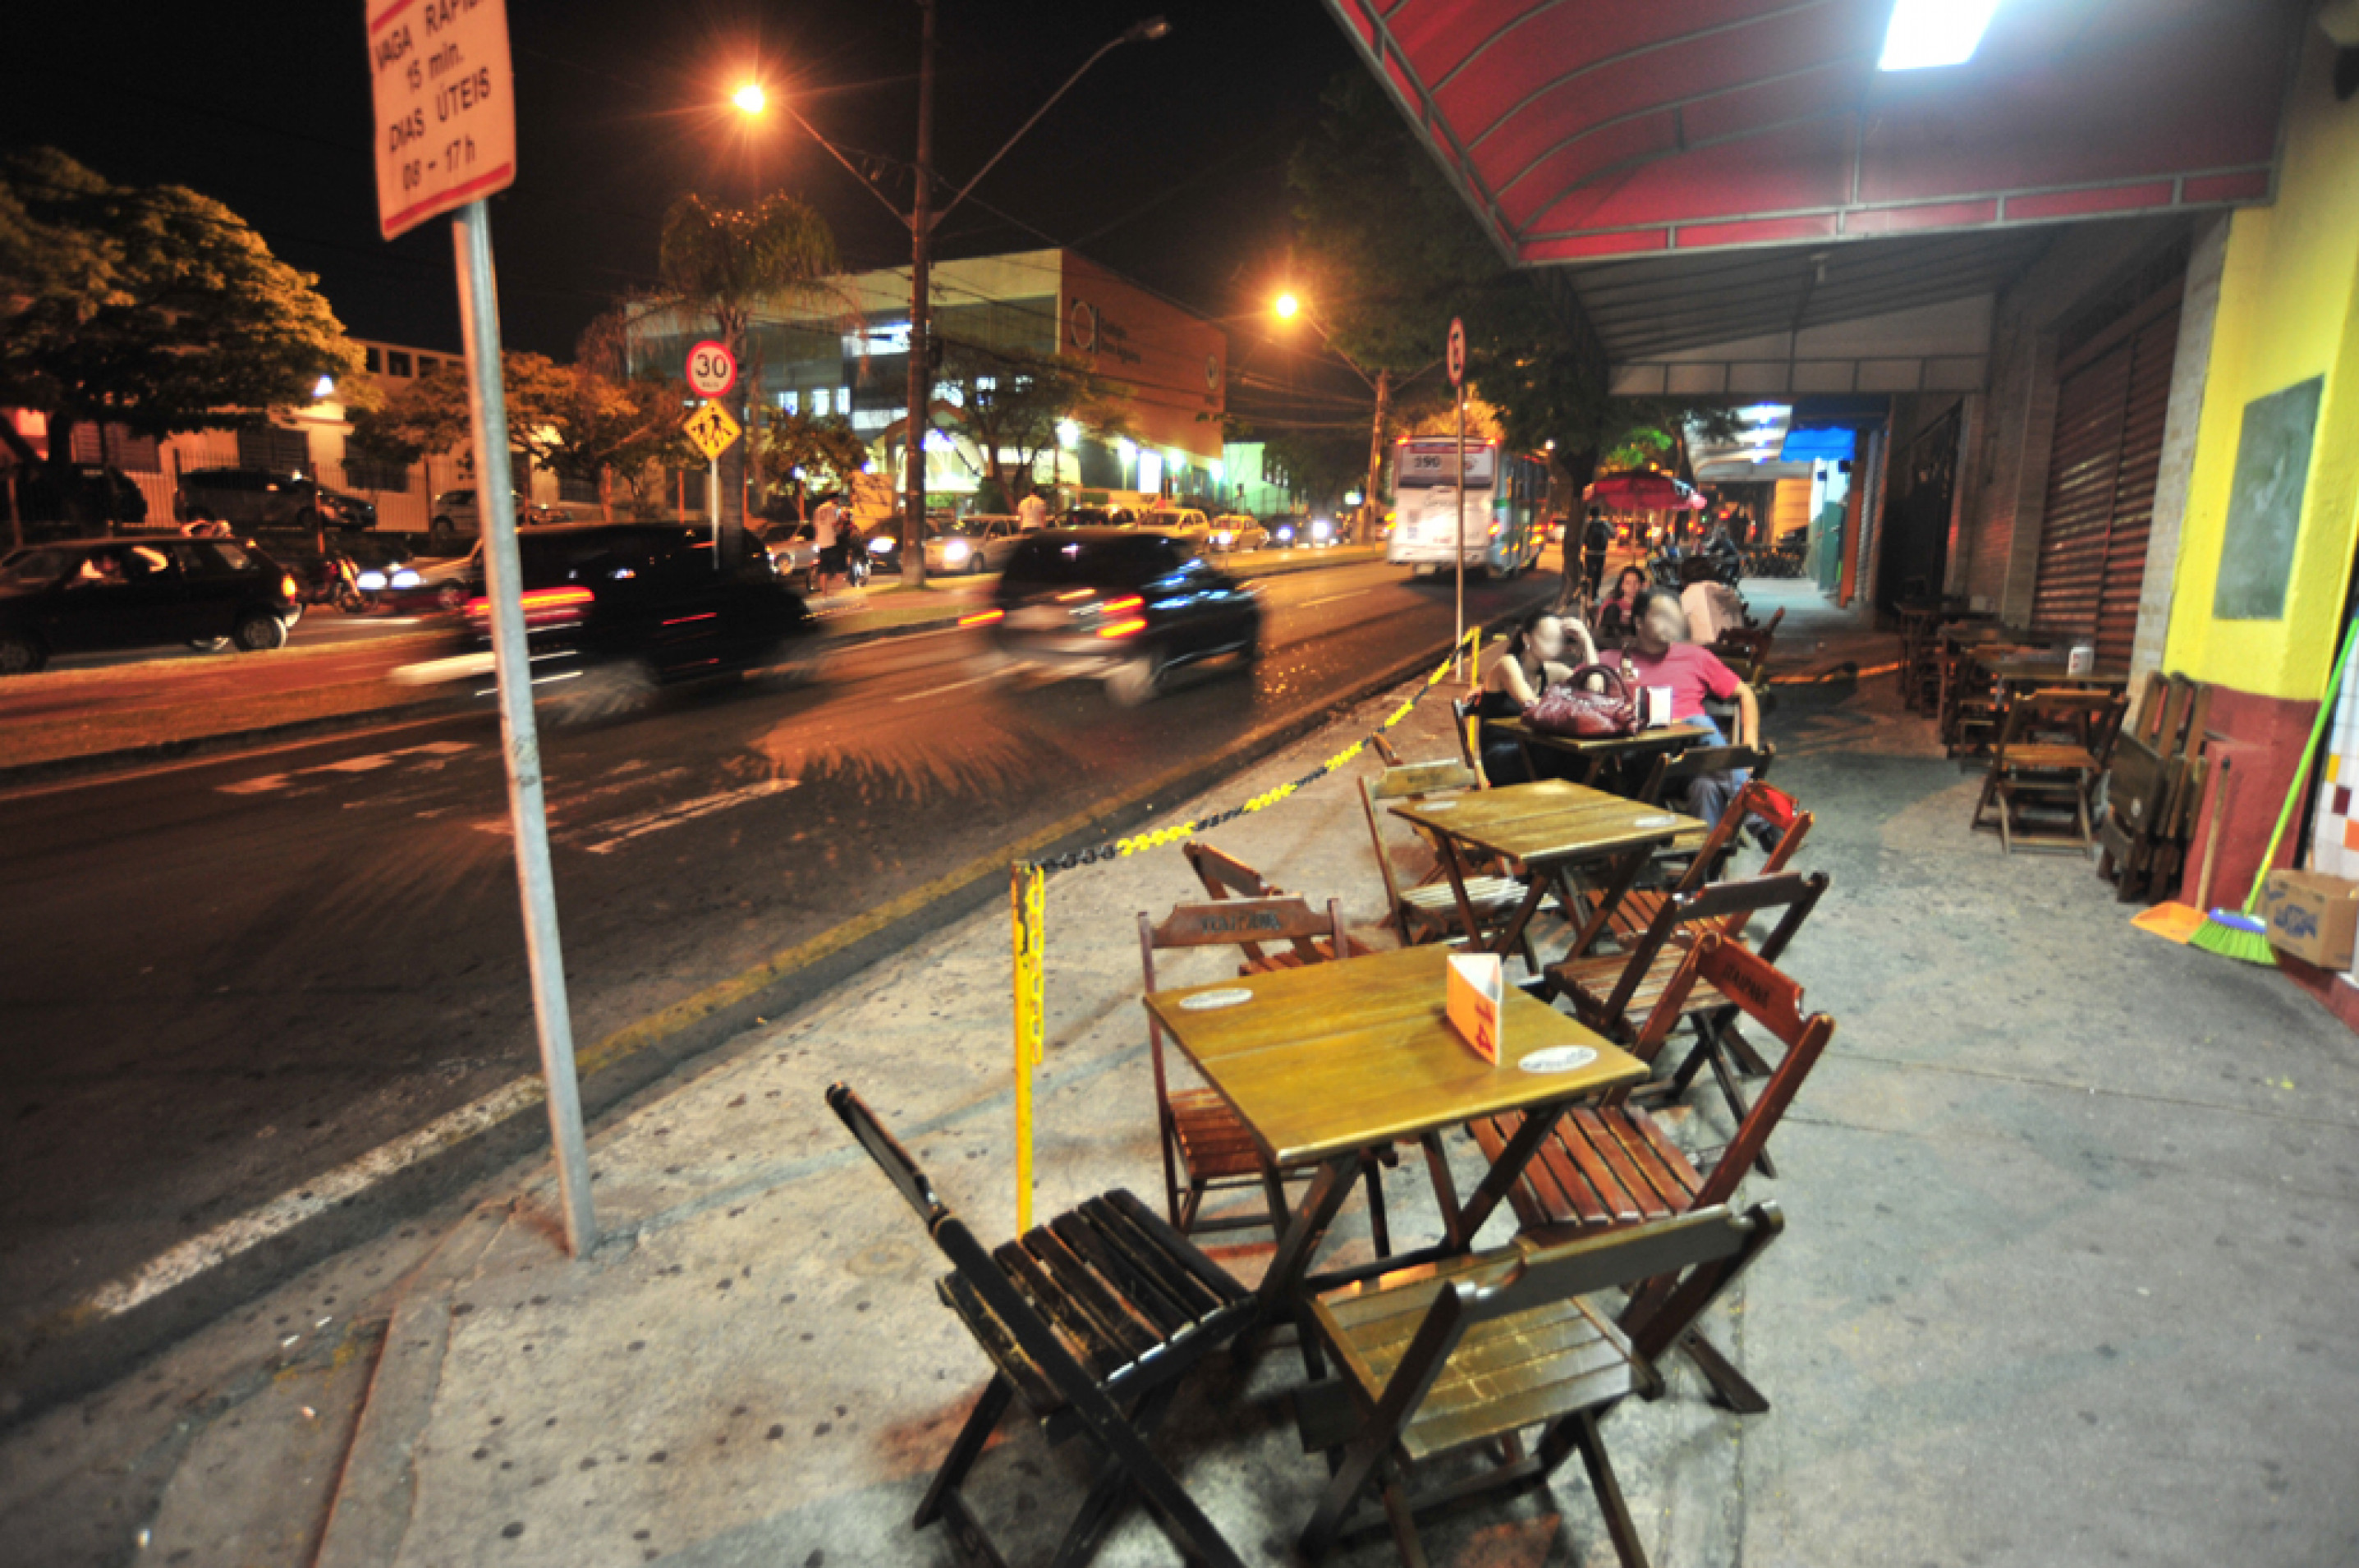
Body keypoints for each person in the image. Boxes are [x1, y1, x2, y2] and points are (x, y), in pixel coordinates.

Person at [1619, 585, 1758, 828]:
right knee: (1698, 723)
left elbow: (1745, 693)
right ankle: (1761, 816)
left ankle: (1703, 864)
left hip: (1692, 763)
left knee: (1707, 785)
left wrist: (1748, 753)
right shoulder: (1615, 660)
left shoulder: (1696, 657)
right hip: (1644, 760)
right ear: (1639, 622)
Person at [1476, 607, 1599, 786]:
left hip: (1535, 747)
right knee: (1569, 759)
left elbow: (1595, 690)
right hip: (1503, 754)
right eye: (1548, 639)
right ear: (1526, 639)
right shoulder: (1508, 664)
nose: (1554, 645)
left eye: (1558, 640)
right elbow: (1532, 705)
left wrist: (1587, 641)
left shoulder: (1551, 671)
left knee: (1587, 760)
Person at [1593, 565, 1647, 644]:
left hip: (1636, 644)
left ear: (1641, 585)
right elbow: (1599, 628)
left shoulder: (1646, 605)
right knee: (1612, 609)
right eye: (1628, 583)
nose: (1632, 587)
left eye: (1636, 582)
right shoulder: (1611, 602)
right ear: (1622, 586)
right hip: (1612, 644)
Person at [811, 495, 845, 593]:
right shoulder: (833, 508)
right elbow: (835, 524)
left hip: (821, 544)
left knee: (823, 569)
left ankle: (824, 593)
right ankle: (839, 591)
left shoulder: (817, 510)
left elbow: (816, 527)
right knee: (839, 568)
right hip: (832, 542)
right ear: (835, 499)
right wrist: (841, 522)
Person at [1580, 508, 1612, 598]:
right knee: (1598, 573)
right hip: (1601, 553)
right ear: (1599, 514)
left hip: (1589, 552)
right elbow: (1613, 533)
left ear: (1591, 514)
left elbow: (1583, 537)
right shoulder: (1605, 524)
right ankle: (1595, 593)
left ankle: (1588, 592)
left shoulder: (1587, 524)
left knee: (1589, 573)